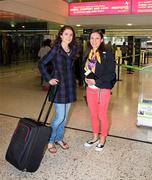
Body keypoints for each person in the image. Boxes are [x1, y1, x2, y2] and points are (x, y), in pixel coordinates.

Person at [38, 25, 77, 154]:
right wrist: (49, 79)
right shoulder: (56, 49)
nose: (69, 37)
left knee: (64, 118)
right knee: (59, 117)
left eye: (71, 35)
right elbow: (41, 63)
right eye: (66, 34)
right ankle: (50, 140)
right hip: (59, 87)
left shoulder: (73, 49)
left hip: (70, 86)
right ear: (61, 35)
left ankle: (59, 138)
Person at [83, 29, 116, 152]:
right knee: (93, 115)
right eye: (92, 38)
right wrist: (85, 79)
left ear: (101, 40)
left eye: (97, 38)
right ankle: (95, 136)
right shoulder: (89, 53)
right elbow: (86, 70)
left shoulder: (107, 54)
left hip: (102, 89)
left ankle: (103, 138)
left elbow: (111, 74)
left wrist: (96, 82)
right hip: (90, 90)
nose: (94, 40)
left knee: (102, 115)